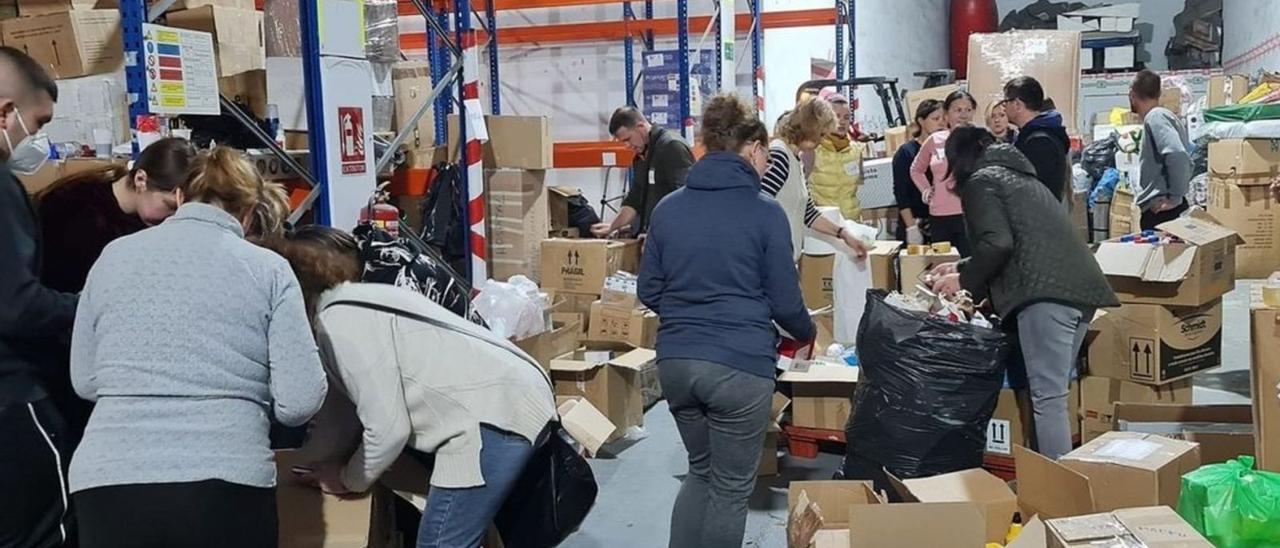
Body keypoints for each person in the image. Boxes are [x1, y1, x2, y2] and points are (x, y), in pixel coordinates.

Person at [68, 147, 329, 548]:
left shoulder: (113, 257)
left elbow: (85, 381)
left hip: (108, 479)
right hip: (223, 481)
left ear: (179, 197)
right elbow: (300, 399)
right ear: (248, 212)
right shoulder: (267, 270)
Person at [261, 226, 558, 548]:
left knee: (441, 542)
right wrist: (305, 465)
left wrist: (346, 479)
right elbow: (343, 412)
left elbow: (388, 429)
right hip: (506, 399)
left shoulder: (340, 322)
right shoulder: (347, 303)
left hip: (496, 416)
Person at [638, 93, 814, 548]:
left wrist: (689, 314)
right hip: (739, 366)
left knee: (701, 471)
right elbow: (784, 301)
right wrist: (808, 332)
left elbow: (648, 290)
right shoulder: (764, 212)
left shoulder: (668, 209)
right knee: (732, 487)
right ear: (754, 149)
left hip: (676, 363)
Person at [929, 127, 1118, 459]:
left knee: (1048, 400)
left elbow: (999, 243)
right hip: (1079, 289)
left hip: (1046, 296)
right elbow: (1018, 241)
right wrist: (960, 268)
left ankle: (1054, 490)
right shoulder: (1019, 177)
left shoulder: (981, 181)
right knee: (1054, 395)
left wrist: (964, 282)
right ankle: (1045, 480)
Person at [0, 46, 81, 548]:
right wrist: (86, 304)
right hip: (12, 401)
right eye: (40, 121)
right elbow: (16, 305)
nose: (38, 138)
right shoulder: (2, 189)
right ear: (6, 110)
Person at [38, 138, 198, 293]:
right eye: (170, 207)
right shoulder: (73, 209)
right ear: (140, 180)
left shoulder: (142, 217)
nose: (174, 218)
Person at [764, 97, 869, 260]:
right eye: (820, 135)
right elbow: (757, 207)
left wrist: (844, 234)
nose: (821, 141)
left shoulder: (795, 159)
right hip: (772, 259)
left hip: (785, 259)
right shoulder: (779, 157)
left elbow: (809, 213)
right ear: (809, 128)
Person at [591, 107, 695, 238]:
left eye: (627, 139)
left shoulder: (672, 147)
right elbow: (635, 199)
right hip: (650, 238)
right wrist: (613, 227)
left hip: (672, 238)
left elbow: (686, 199)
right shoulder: (641, 158)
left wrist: (661, 234)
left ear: (640, 127)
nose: (627, 146)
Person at [910, 90, 977, 256]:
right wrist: (926, 190)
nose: (963, 115)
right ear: (946, 114)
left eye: (968, 110)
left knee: (969, 267)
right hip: (939, 216)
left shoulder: (980, 140)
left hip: (970, 214)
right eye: (958, 110)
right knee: (941, 266)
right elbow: (916, 169)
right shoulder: (935, 140)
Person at [1129, 69, 1192, 231]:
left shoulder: (1156, 117)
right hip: (1164, 207)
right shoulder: (1163, 116)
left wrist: (1175, 198)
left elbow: (1177, 154)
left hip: (1164, 210)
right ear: (1158, 93)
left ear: (1133, 95)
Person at [1003, 76, 1070, 200]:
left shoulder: (1040, 142)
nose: (1004, 107)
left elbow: (1027, 189)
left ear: (1017, 104)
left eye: (1006, 102)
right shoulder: (1031, 135)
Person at [894, 99, 946, 245]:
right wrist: (911, 227)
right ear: (921, 121)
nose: (941, 123)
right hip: (915, 220)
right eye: (935, 119)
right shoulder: (907, 152)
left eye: (944, 119)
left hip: (941, 221)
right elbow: (901, 194)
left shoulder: (947, 150)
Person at [808, 92, 864, 222]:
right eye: (836, 116)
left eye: (846, 117)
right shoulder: (813, 150)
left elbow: (858, 190)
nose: (842, 122)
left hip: (851, 222)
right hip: (823, 225)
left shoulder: (856, 151)